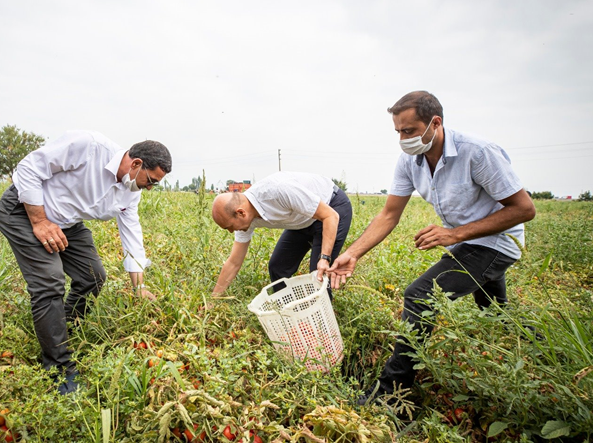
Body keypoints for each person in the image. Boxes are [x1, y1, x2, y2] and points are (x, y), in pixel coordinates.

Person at [327, 91, 536, 404]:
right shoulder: (410, 161)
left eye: (409, 131)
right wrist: (352, 253)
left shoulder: (477, 153)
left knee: (419, 294)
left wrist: (454, 235)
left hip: (496, 242)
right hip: (467, 243)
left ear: (435, 123)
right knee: (496, 313)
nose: (403, 138)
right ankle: (545, 349)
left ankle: (390, 399)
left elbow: (524, 209)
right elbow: (388, 214)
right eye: (398, 132)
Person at [0, 130, 171, 395]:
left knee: (93, 277)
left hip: (67, 223)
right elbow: (29, 168)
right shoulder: (90, 148)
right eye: (151, 180)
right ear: (136, 164)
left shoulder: (130, 192)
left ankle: (60, 327)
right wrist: (40, 221)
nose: (149, 187)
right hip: (24, 211)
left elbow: (132, 237)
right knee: (50, 282)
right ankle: (57, 366)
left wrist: (138, 288)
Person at [210, 171, 352, 298]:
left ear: (241, 213)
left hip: (331, 207)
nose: (231, 231)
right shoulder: (246, 218)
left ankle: (322, 321)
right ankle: (288, 311)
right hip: (302, 219)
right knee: (277, 267)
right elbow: (234, 262)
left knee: (317, 274)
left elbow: (330, 216)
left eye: (230, 227)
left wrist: (324, 258)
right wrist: (213, 300)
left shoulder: (278, 191)